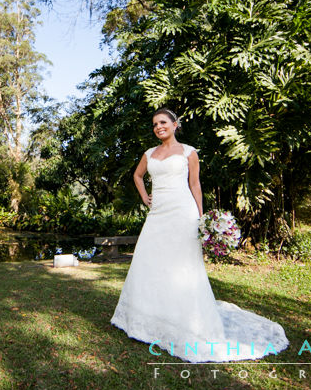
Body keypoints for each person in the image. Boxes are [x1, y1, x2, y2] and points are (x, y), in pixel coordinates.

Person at [110, 108, 289, 362]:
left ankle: (185, 319)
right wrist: (145, 197)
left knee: (184, 265)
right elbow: (137, 176)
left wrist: (202, 218)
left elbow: (195, 185)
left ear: (174, 125)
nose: (158, 127)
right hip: (158, 214)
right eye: (154, 124)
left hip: (183, 212)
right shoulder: (149, 154)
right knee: (149, 260)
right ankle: (146, 319)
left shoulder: (188, 152)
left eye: (163, 122)